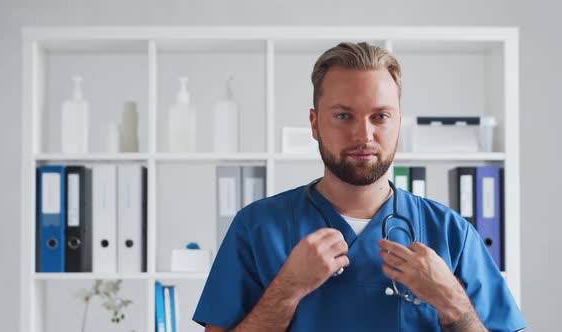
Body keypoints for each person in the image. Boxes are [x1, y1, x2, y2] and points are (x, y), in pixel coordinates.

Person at [192, 42, 525, 331]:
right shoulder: (257, 228)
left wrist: (452, 302)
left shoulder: (451, 234)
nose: (364, 135)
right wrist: (288, 289)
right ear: (314, 124)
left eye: (380, 116)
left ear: (397, 121)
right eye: (343, 116)